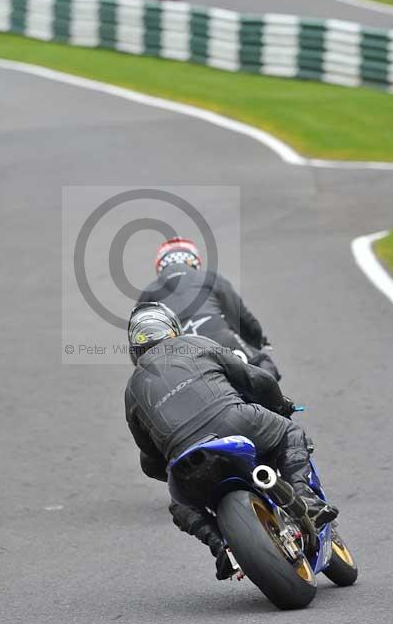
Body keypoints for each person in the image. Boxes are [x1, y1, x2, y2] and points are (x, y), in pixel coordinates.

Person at [125, 302, 338, 580]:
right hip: (235, 421)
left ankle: (222, 548)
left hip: (185, 457)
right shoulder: (194, 343)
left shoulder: (131, 389)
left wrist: (172, 467)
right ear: (172, 329)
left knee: (181, 505)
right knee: (290, 433)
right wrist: (279, 404)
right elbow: (254, 378)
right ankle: (306, 499)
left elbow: (150, 461)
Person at [137, 237, 280, 379]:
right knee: (263, 370)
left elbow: (139, 344)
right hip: (220, 337)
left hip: (178, 353)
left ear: (161, 265)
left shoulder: (148, 292)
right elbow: (241, 317)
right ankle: (278, 402)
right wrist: (258, 341)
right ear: (192, 260)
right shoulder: (209, 277)